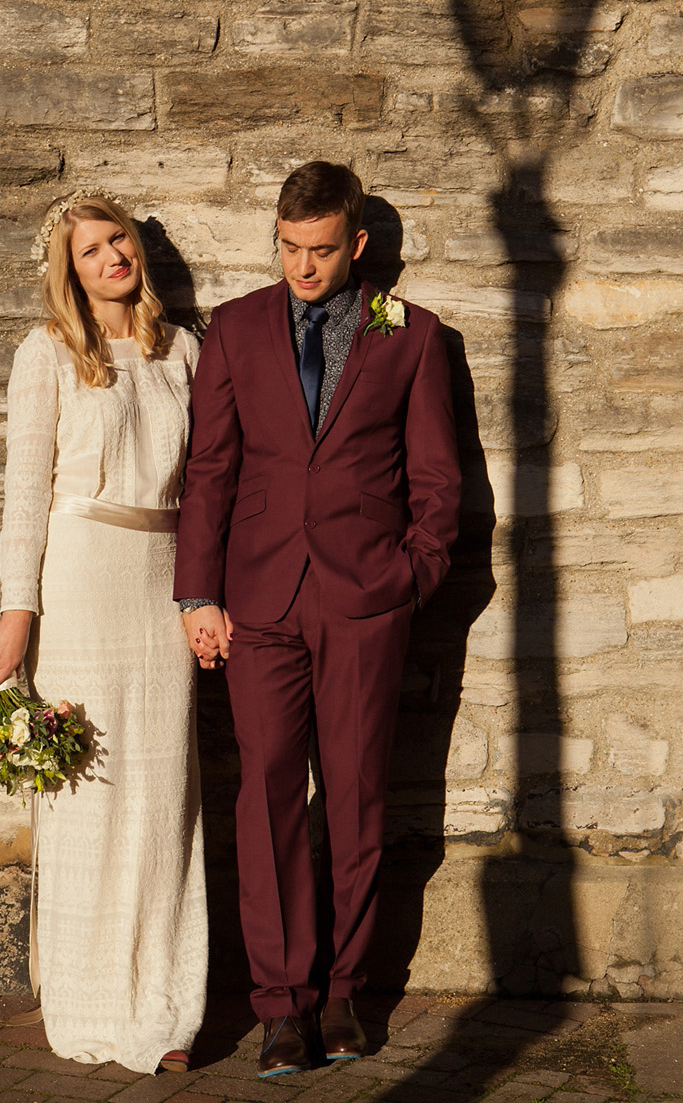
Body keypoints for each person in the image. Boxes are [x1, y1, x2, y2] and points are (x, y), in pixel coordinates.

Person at [173, 160, 461, 1077]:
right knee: (266, 803)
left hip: (364, 602)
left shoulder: (412, 338)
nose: (303, 266)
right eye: (290, 248)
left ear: (358, 244)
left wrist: (408, 580)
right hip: (258, 602)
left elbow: (440, 482)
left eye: (322, 249)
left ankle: (343, 993)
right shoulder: (236, 328)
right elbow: (211, 469)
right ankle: (279, 1007)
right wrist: (197, 592)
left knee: (356, 797)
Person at [0, 190, 208, 1075]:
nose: (111, 257)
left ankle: (165, 1003)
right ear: (67, 272)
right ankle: (84, 997)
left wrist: (202, 596)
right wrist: (16, 612)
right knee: (87, 793)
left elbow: (209, 484)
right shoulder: (48, 352)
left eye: (119, 240)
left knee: (161, 792)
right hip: (77, 584)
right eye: (90, 250)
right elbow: (26, 492)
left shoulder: (181, 349)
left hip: (162, 587)